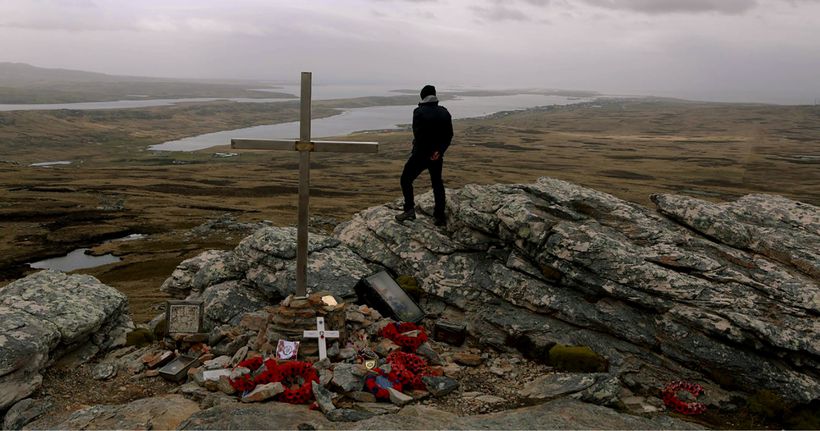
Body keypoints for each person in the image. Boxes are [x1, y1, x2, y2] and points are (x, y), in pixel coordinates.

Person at [395, 84, 453, 226]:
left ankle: (409, 211)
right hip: (437, 156)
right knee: (437, 183)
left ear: (423, 96)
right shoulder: (444, 112)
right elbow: (449, 135)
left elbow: (420, 136)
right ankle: (439, 217)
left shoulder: (419, 112)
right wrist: (438, 152)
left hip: (421, 155)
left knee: (406, 179)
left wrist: (427, 153)